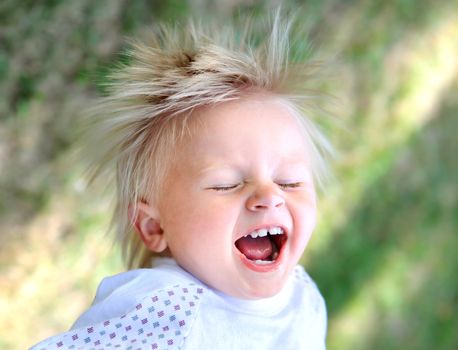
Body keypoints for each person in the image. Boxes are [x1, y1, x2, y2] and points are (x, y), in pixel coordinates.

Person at [30, 11, 332, 350]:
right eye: (227, 183)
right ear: (154, 227)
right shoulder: (164, 312)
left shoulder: (303, 299)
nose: (269, 195)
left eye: (289, 181)